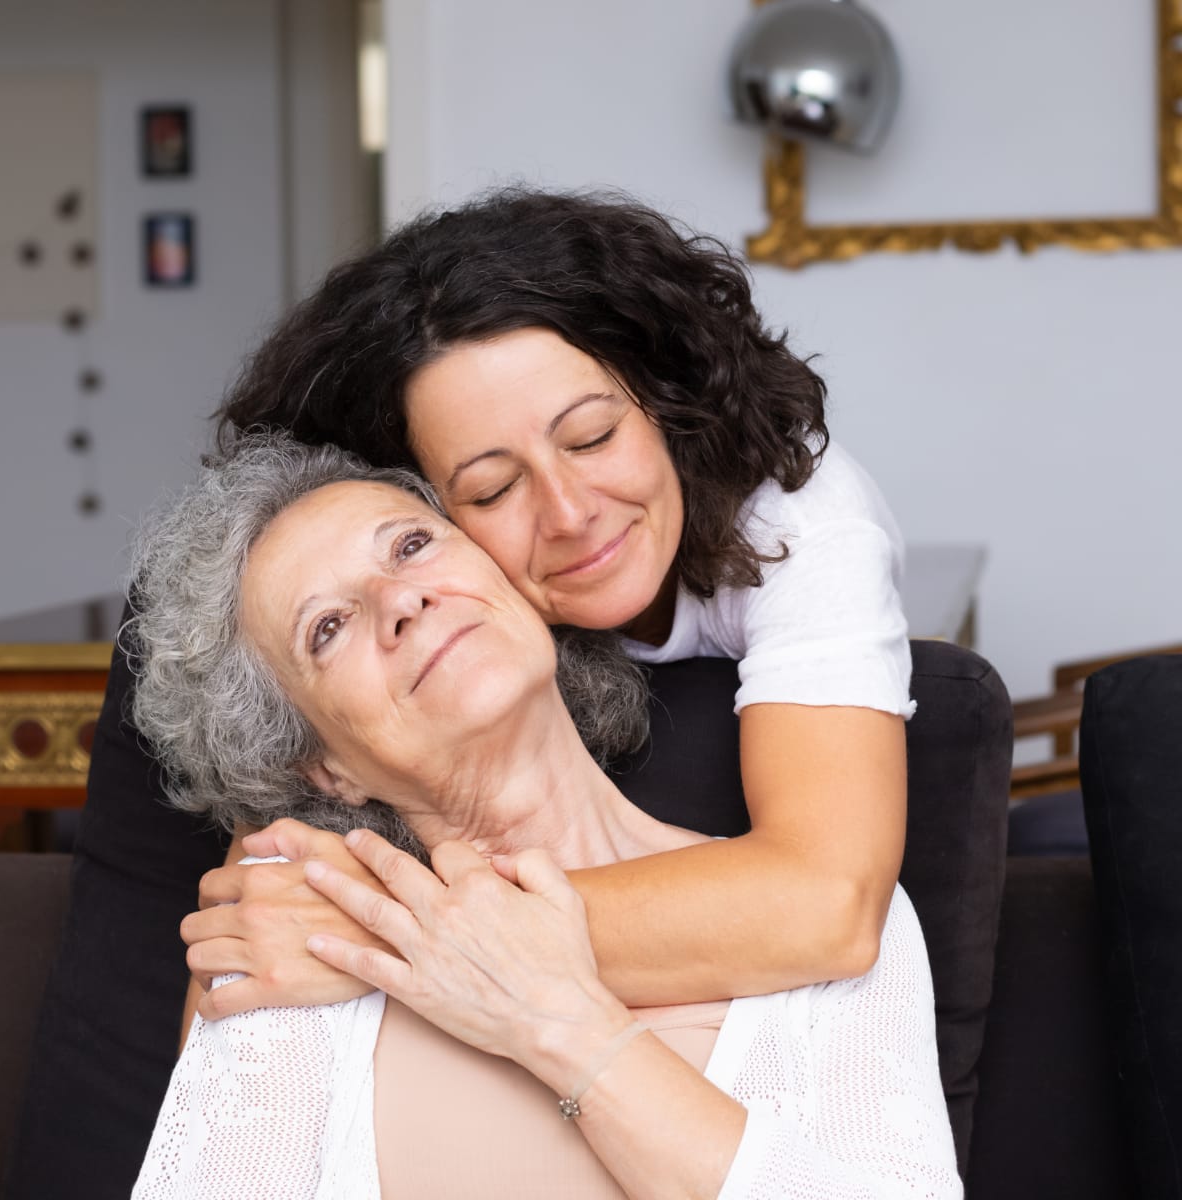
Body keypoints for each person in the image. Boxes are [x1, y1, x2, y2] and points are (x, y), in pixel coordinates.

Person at [127, 436, 959, 1199]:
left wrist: (561, 1029)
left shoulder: (832, 911)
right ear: (325, 765)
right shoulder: (293, 931)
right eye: (330, 627)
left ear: (512, 585)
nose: (402, 600)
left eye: (412, 545)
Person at [181, 187, 912, 1022]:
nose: (570, 515)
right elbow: (258, 915)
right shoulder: (415, 608)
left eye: (593, 438)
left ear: (662, 399)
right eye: (492, 489)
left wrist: (383, 941)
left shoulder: (802, 524)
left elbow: (825, 906)